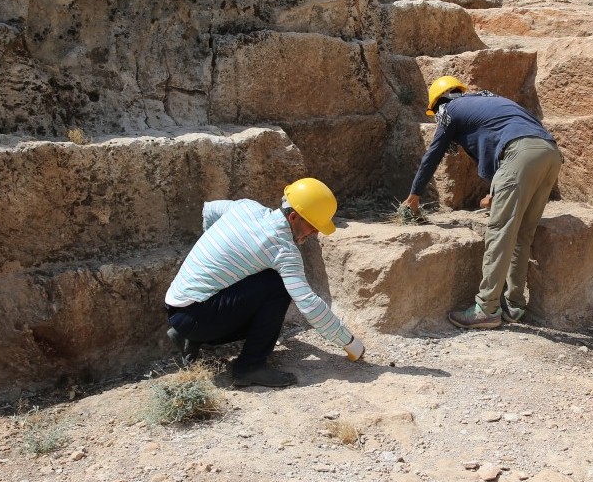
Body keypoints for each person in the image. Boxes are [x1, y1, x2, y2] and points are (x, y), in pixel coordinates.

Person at [164, 177, 365, 388]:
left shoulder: (246, 207)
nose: (314, 234)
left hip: (177, 307)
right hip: (200, 319)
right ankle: (249, 367)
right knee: (278, 284)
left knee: (262, 278)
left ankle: (188, 337)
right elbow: (308, 304)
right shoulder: (283, 251)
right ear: (294, 217)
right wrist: (351, 343)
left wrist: (213, 246)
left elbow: (209, 210)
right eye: (313, 227)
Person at [404, 76, 562, 330]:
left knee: (499, 233)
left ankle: (486, 309)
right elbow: (498, 147)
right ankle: (514, 305)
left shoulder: (450, 110)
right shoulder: (486, 99)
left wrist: (414, 194)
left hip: (520, 154)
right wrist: (495, 192)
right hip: (549, 152)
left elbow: (433, 155)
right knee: (522, 233)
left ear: (439, 103)